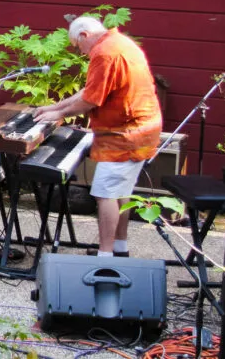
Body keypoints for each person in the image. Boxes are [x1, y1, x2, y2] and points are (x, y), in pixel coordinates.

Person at [33, 16, 162, 257]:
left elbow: (90, 100)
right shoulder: (119, 42)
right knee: (121, 193)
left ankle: (105, 257)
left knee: (105, 194)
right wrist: (56, 107)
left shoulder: (105, 53)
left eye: (76, 45)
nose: (79, 52)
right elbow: (90, 89)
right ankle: (119, 249)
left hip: (126, 135)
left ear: (84, 35)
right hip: (139, 131)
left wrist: (57, 115)